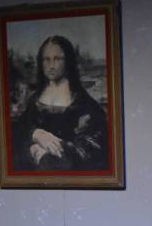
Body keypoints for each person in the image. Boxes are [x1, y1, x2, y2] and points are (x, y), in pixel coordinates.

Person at [15, 35, 109, 172]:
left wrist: (43, 152)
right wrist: (35, 134)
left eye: (57, 59)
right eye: (46, 59)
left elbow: (91, 151)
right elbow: (19, 132)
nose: (51, 65)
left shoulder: (85, 104)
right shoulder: (34, 100)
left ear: (68, 61)